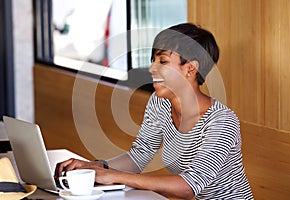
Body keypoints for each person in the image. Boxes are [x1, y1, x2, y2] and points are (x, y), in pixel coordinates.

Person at [54, 23, 253, 200]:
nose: (151, 68)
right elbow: (140, 154)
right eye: (153, 60)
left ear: (190, 69)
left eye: (163, 61)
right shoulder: (161, 103)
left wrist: (113, 176)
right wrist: (96, 167)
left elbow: (188, 187)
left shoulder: (222, 122)